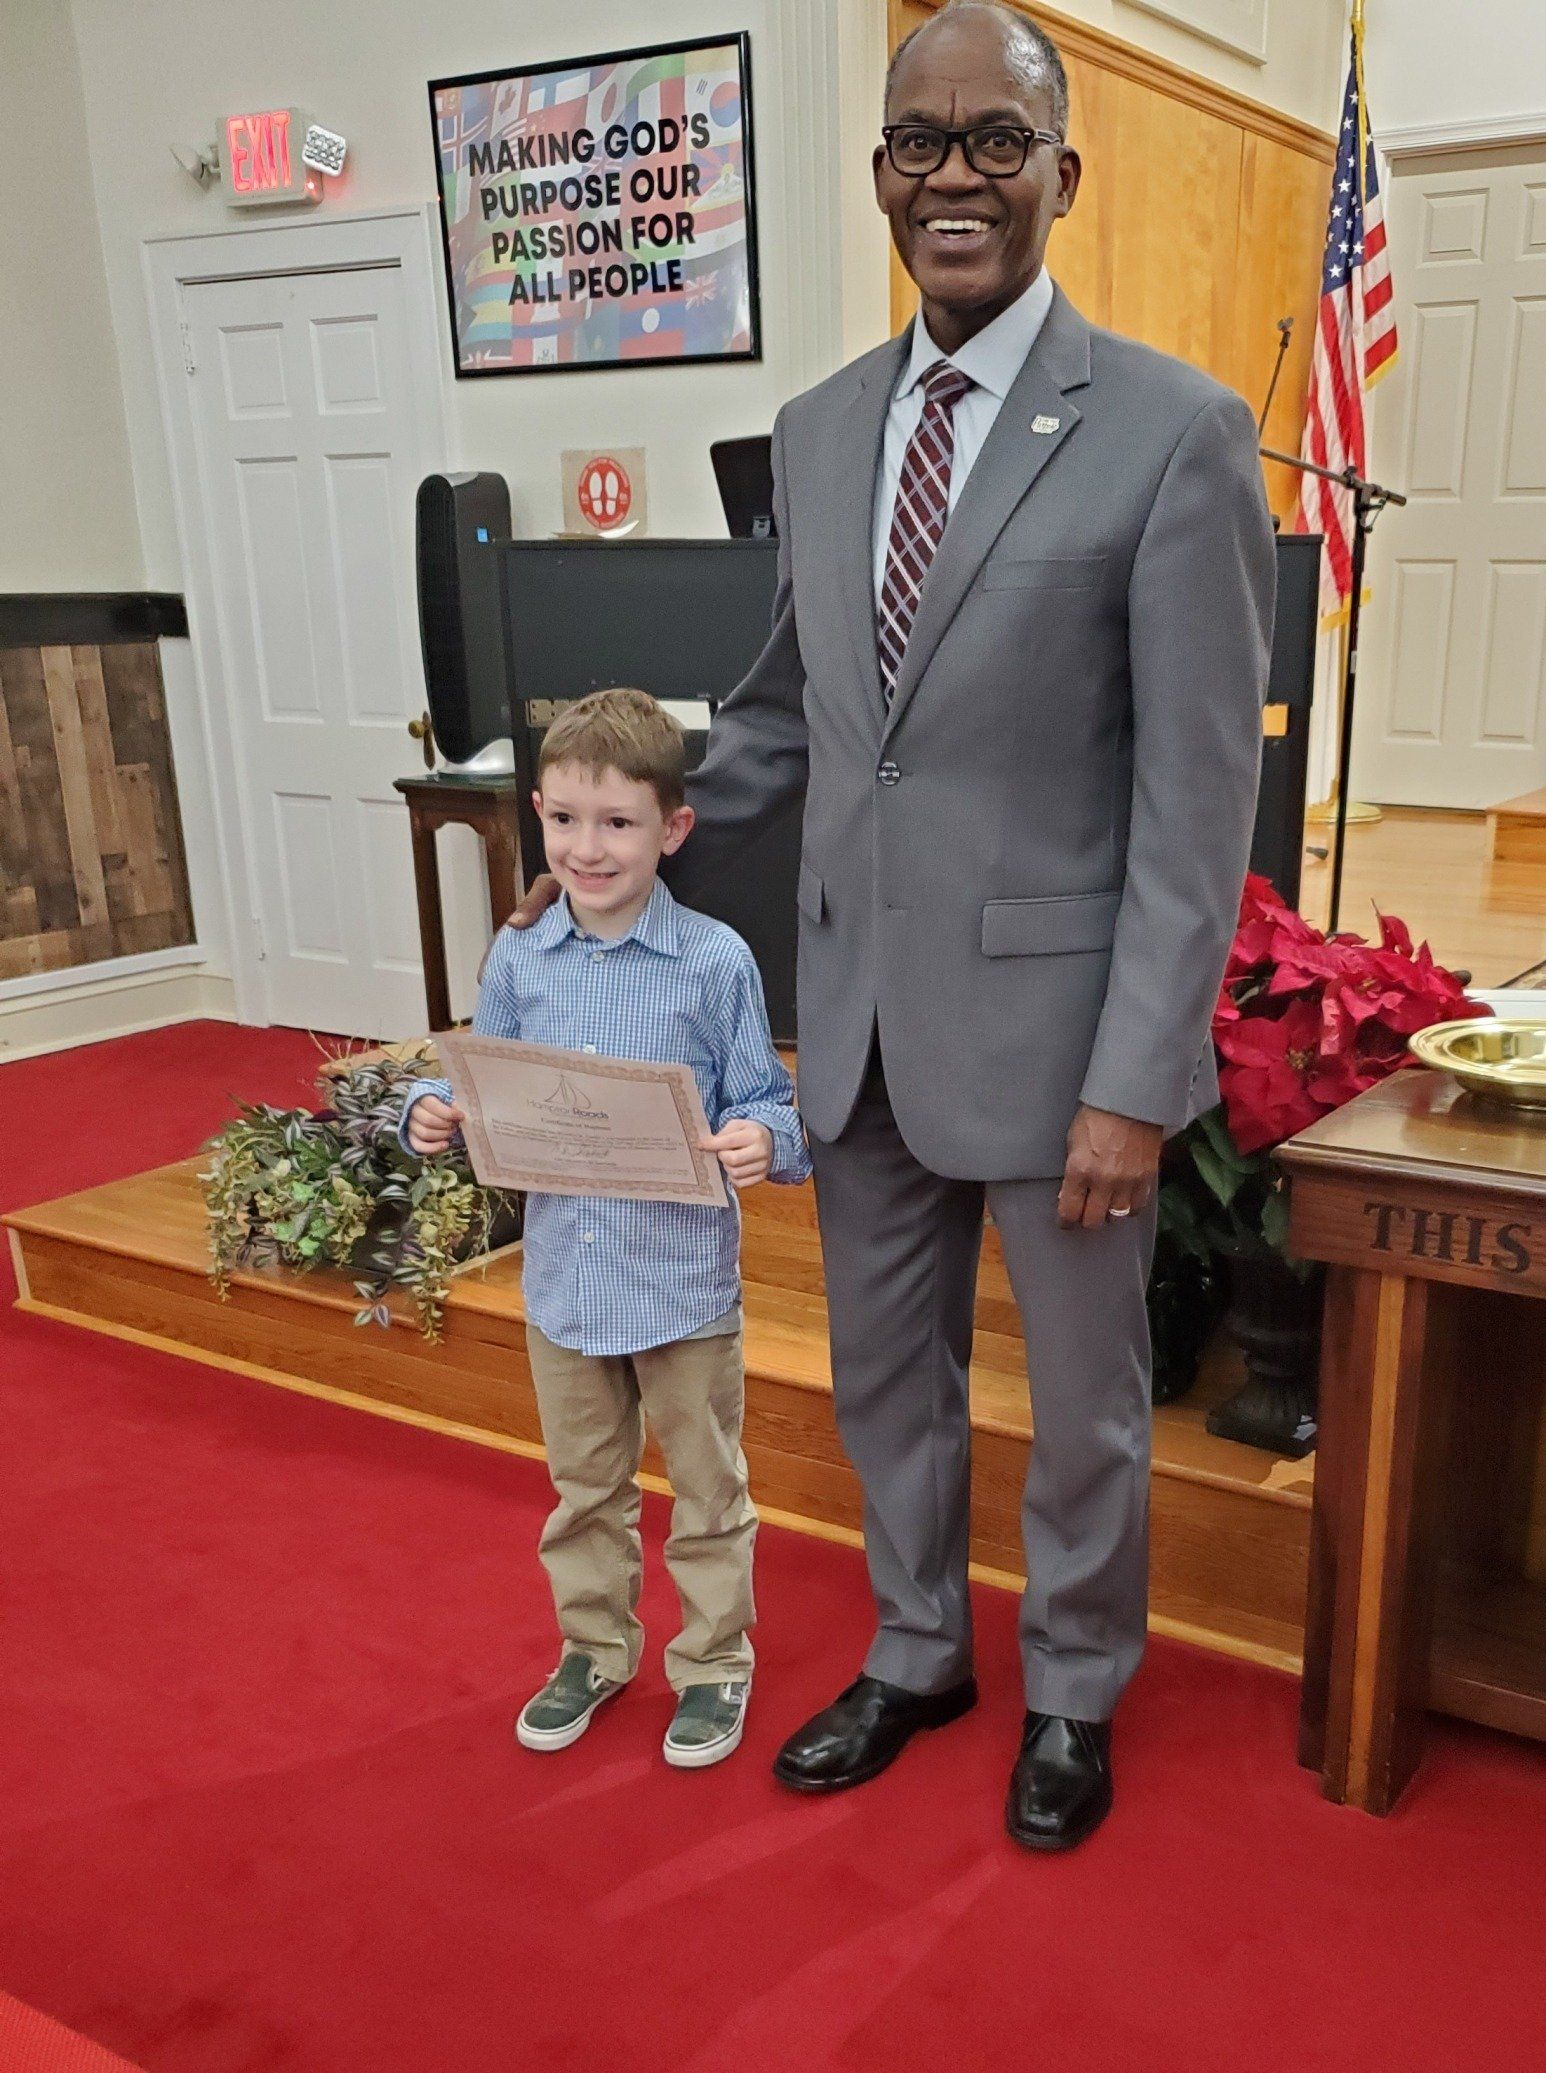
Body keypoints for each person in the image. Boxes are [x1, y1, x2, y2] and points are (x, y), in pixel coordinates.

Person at [511, 1, 1275, 1850]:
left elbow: (1198, 805)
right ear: (877, 176)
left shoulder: (1174, 432)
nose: (957, 176)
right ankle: (922, 1647)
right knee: (882, 1384)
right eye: (922, 142)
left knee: (1083, 1403)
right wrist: (628, 839)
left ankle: (1073, 1685)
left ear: (1061, 175)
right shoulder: (822, 426)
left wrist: (1141, 1078)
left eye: (997, 142)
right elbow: (793, 711)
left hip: (1063, 1044)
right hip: (853, 1023)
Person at [404, 689, 808, 1768]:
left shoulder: (714, 961)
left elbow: (769, 1103)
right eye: (567, 820)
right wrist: (432, 1111)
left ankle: (714, 1661)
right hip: (564, 1287)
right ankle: (595, 1647)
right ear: (538, 814)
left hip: (681, 1287)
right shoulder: (520, 958)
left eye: (619, 822)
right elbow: (477, 1079)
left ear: (672, 829)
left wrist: (764, 1140)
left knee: (709, 1490)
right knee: (584, 1490)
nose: (588, 848)